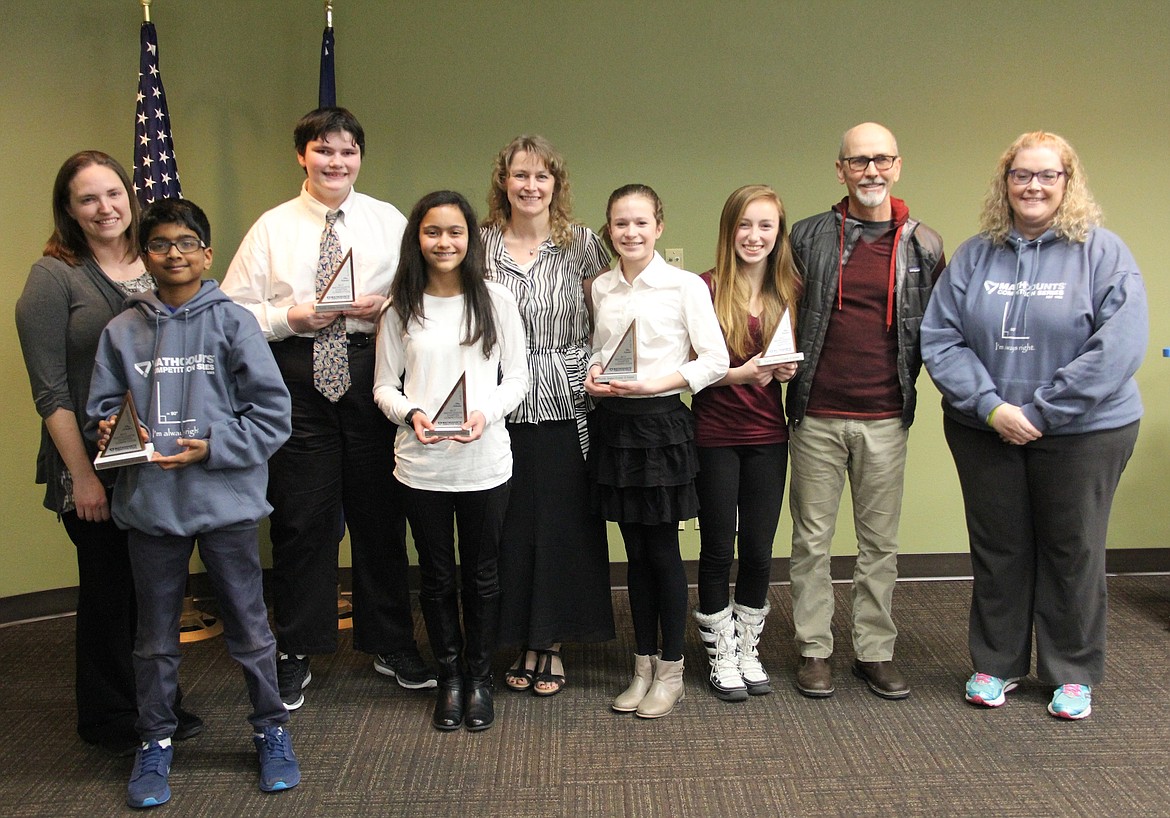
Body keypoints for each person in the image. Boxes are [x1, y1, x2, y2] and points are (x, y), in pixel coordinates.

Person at [921, 132, 1146, 721]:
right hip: (985, 427)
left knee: (1073, 548)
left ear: (1068, 183)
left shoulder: (1103, 253)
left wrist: (1041, 412)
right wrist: (993, 407)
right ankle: (996, 664)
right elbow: (941, 337)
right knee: (1000, 548)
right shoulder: (975, 255)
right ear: (1006, 183)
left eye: (1048, 175)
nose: (1034, 186)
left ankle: (1070, 672)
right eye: (1021, 175)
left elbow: (1118, 347)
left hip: (1085, 432)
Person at [221, 107, 434, 710]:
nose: (335, 163)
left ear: (360, 157)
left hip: (373, 376)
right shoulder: (272, 228)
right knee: (300, 521)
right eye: (323, 151)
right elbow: (233, 314)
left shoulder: (389, 220)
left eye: (346, 152)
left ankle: (391, 641)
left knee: (380, 519)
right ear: (302, 157)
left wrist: (385, 307)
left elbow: (422, 289)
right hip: (296, 378)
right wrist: (290, 317)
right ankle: (295, 648)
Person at [88, 199, 298, 807]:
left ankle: (271, 727)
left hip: (226, 502)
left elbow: (273, 416)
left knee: (250, 627)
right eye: (159, 244)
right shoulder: (121, 331)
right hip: (152, 507)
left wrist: (210, 447)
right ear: (144, 256)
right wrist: (111, 429)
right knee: (155, 635)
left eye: (186, 243)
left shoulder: (234, 323)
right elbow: (103, 410)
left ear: (207, 254)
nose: (173, 253)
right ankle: (154, 740)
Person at [15, 151, 202, 756]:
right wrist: (84, 479)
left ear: (131, 195)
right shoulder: (54, 278)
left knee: (157, 588)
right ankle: (109, 716)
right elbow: (50, 390)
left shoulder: (157, 260)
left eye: (113, 194)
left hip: (161, 460)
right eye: (88, 199)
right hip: (94, 466)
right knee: (108, 591)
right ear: (69, 210)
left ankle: (158, 704)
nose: (106, 208)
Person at [787, 123, 944, 700]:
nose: (870, 171)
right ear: (840, 170)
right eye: (858, 162)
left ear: (897, 165)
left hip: (885, 418)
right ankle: (814, 649)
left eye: (880, 160)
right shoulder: (806, 236)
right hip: (816, 416)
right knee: (811, 540)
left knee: (880, 544)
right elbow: (776, 310)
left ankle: (873, 651)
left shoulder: (925, 245)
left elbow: (940, 331)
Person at [374, 191, 528, 732]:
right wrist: (411, 412)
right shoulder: (401, 305)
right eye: (433, 232)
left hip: (485, 462)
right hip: (422, 466)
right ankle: (451, 679)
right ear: (418, 238)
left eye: (455, 232)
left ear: (471, 238)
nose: (445, 242)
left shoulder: (496, 299)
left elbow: (519, 380)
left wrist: (485, 413)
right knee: (437, 578)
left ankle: (480, 679)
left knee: (483, 576)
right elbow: (384, 387)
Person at [586, 184, 729, 719]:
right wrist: (596, 372)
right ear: (610, 229)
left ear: (659, 227)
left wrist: (657, 384)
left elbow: (713, 360)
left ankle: (672, 670)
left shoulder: (684, 285)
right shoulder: (601, 286)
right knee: (633, 554)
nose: (631, 232)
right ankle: (641, 664)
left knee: (662, 552)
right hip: (614, 429)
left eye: (641, 223)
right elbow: (603, 348)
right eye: (621, 223)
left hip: (662, 427)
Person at [481, 135, 615, 697]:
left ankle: (551, 641)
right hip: (498, 402)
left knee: (561, 523)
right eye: (520, 176)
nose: (530, 186)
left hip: (566, 399)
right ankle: (514, 634)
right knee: (508, 525)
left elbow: (609, 312)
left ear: (555, 185)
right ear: (503, 183)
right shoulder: (480, 245)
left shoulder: (581, 243)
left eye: (541, 176)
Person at [691, 185, 801, 701]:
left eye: (766, 227)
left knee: (758, 549)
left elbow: (797, 363)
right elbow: (686, 370)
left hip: (768, 436)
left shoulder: (790, 290)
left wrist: (783, 373)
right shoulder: (703, 289)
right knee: (717, 549)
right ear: (728, 229)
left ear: (778, 234)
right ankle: (720, 653)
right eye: (745, 225)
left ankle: (748, 646)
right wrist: (740, 375)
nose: (754, 236)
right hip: (714, 435)